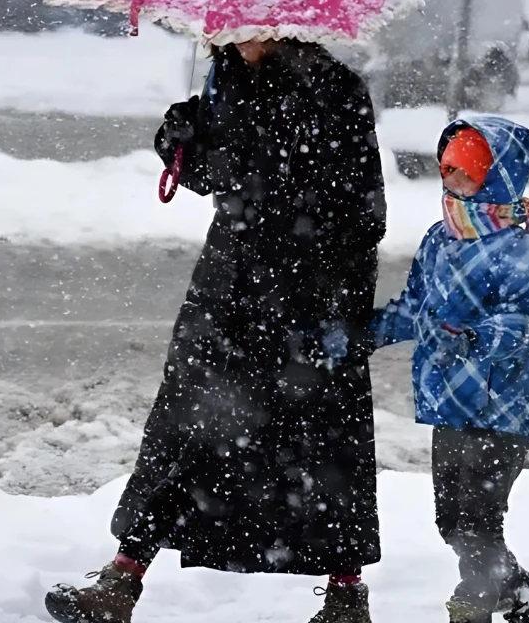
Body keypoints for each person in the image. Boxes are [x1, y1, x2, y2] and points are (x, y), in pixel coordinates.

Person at [44, 38, 388, 623]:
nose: (231, 30)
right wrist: (180, 139)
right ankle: (121, 584)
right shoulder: (223, 77)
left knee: (322, 442)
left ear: (281, 19)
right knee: (184, 425)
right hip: (227, 286)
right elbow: (213, 177)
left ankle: (346, 600)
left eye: (246, 19)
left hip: (307, 297)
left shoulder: (335, 89)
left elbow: (365, 214)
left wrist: (322, 291)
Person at [372, 116, 529, 623]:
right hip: (449, 401)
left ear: (496, 177)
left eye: (464, 171)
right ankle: (527, 592)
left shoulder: (517, 248)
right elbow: (415, 306)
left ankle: (472, 605)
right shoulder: (441, 238)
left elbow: (526, 320)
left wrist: (474, 339)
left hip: (501, 405)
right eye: (446, 169)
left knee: (478, 523)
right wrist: (360, 333)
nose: (450, 180)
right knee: (451, 521)